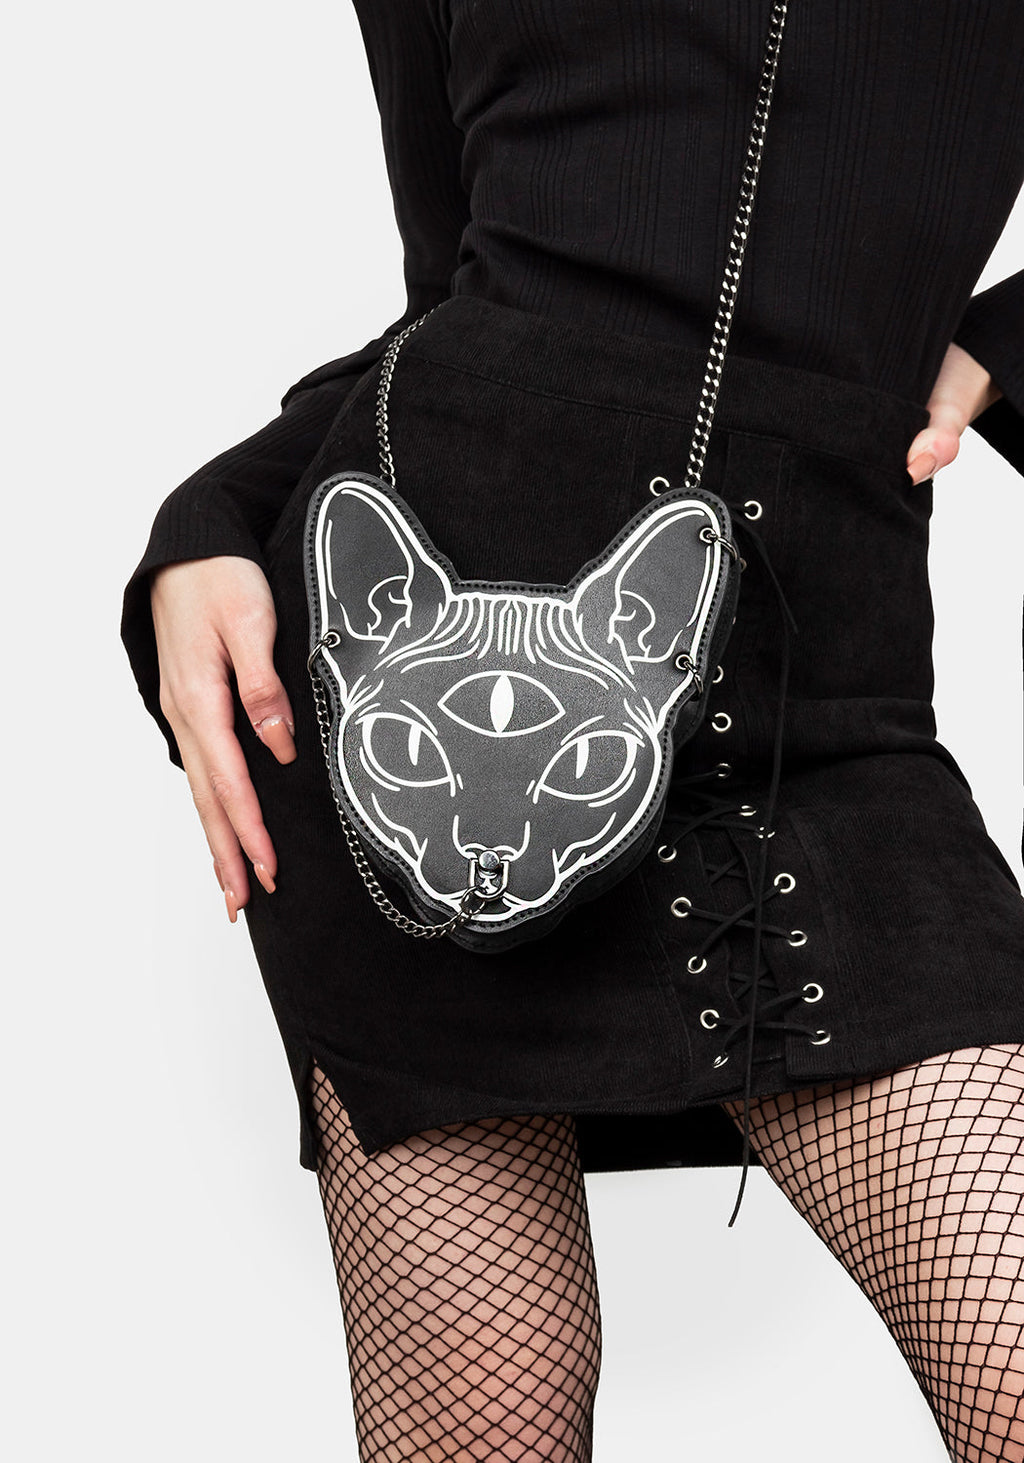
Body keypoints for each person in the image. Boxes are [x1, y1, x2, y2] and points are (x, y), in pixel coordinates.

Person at [121, 2, 1024, 1458]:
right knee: (497, 1423)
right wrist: (211, 518)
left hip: (824, 691)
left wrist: (1005, 345)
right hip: (429, 716)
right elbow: (458, 288)